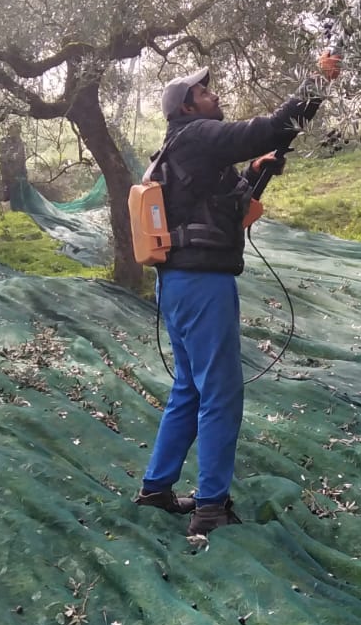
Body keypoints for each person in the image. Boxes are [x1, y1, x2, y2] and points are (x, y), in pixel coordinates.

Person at [133, 59, 335, 537]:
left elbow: (222, 202)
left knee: (190, 387)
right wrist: (317, 82)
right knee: (221, 391)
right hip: (202, 284)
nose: (214, 96)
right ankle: (211, 507)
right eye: (205, 92)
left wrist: (255, 171)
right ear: (187, 106)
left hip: (179, 283)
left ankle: (157, 488)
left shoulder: (180, 149)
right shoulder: (199, 134)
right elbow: (269, 127)